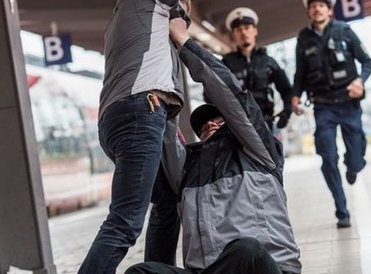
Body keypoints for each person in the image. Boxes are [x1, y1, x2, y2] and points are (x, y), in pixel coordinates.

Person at [79, 0, 254, 274]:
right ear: (176, 0)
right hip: (140, 113)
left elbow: (165, 103)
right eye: (183, 13)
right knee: (126, 220)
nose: (182, 22)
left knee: (165, 204)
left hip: (131, 116)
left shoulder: (130, 25)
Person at [125, 16, 302, 273]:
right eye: (203, 125)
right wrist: (160, 53)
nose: (210, 124)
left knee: (247, 250)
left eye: (218, 119)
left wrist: (184, 43)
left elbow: (231, 96)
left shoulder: (260, 153)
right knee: (141, 272)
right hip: (207, 271)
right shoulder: (186, 169)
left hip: (263, 267)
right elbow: (165, 125)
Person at [290, 0, 371, 229]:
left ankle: (354, 165)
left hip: (348, 104)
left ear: (329, 10)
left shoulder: (345, 31)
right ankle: (342, 211)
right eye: (313, 6)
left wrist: (360, 81)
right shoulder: (303, 39)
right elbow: (300, 75)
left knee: (356, 156)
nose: (317, 9)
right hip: (323, 106)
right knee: (327, 156)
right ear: (309, 12)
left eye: (321, 6)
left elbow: (367, 62)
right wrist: (295, 97)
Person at [220, 7, 293, 133]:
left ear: (255, 31)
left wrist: (287, 112)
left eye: (247, 28)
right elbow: (212, 93)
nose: (243, 33)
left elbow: (286, 90)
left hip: (265, 123)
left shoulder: (268, 62)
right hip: (236, 126)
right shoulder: (226, 63)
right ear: (234, 35)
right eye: (239, 30)